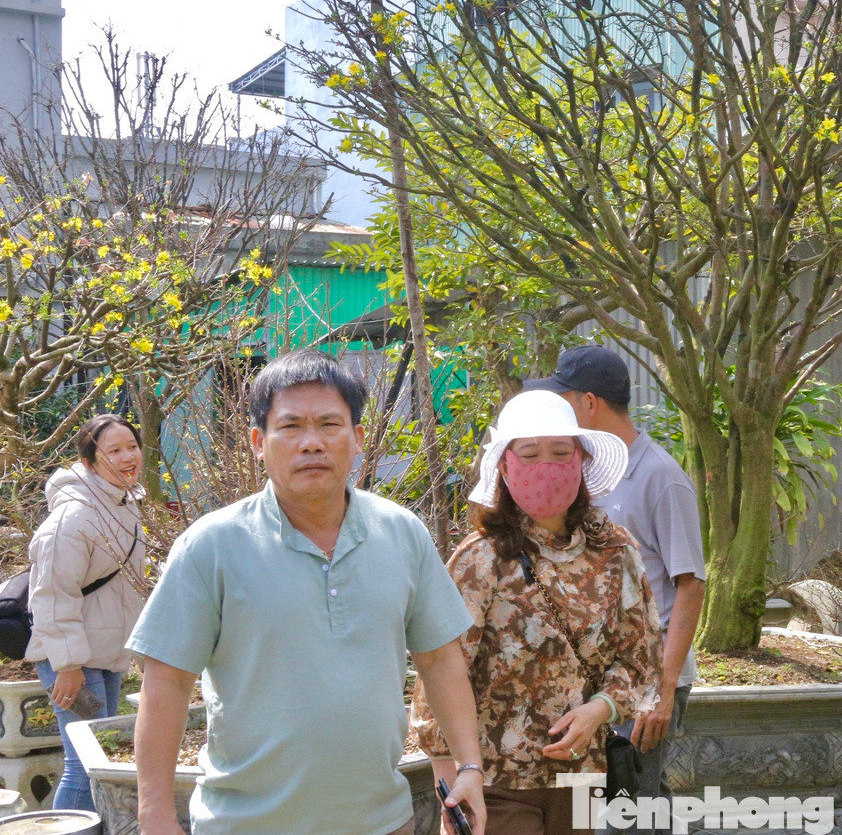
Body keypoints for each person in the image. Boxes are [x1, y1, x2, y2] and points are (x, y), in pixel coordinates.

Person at [128, 350, 487, 835]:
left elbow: (441, 660)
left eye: (329, 425)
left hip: (383, 821)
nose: (311, 443)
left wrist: (469, 767)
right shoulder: (211, 545)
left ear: (358, 438)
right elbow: (166, 681)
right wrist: (154, 814)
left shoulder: (402, 533)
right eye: (291, 426)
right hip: (246, 825)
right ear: (259, 442)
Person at [412, 389, 661, 835]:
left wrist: (601, 709)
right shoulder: (481, 559)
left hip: (582, 775)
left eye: (560, 452)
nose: (546, 465)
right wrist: (447, 778)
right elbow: (441, 669)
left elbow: (640, 655)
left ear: (581, 461)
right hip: (496, 782)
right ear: (505, 468)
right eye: (529, 454)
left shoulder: (615, 552)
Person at [523, 345, 705, 835]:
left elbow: (691, 585)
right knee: (600, 813)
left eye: (563, 398)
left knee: (634, 812)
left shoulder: (661, 477)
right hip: (599, 682)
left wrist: (662, 692)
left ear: (588, 403)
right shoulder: (584, 470)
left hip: (649, 679)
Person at [27, 413, 147, 812]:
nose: (128, 456)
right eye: (114, 451)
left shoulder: (123, 503)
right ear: (89, 462)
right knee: (86, 764)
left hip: (106, 653)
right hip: (73, 661)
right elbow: (51, 596)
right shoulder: (73, 518)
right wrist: (69, 664)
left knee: (103, 759)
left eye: (132, 446)